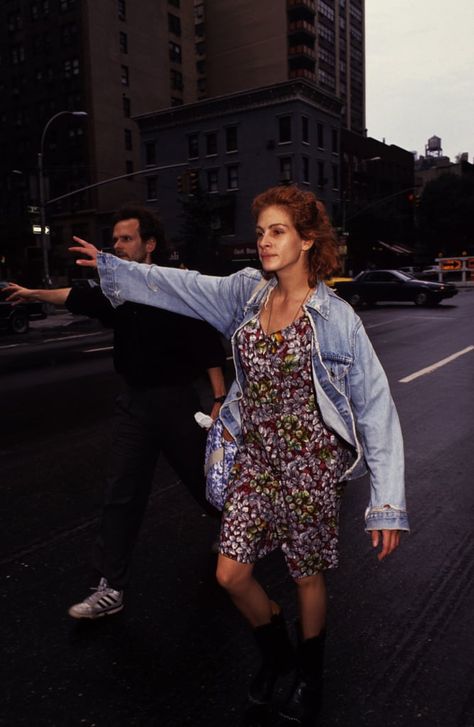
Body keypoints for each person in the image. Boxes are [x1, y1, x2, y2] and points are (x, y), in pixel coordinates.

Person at [69, 187, 409, 724]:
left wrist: (387, 503)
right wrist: (115, 267)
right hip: (254, 456)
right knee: (231, 574)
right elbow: (180, 283)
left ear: (307, 239)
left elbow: (375, 406)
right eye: (261, 232)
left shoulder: (336, 317)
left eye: (278, 231)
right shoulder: (247, 294)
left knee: (306, 577)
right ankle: (277, 654)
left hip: (311, 464)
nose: (265, 242)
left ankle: (310, 675)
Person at [4, 205, 227, 621]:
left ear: (149, 244)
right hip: (134, 406)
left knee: (206, 483)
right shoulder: (116, 292)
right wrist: (34, 293)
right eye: (116, 240)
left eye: (127, 239)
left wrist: (219, 400)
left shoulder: (173, 288)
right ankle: (110, 586)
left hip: (177, 403)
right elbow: (74, 296)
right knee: (120, 494)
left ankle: (238, 531)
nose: (119, 246)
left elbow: (206, 345)